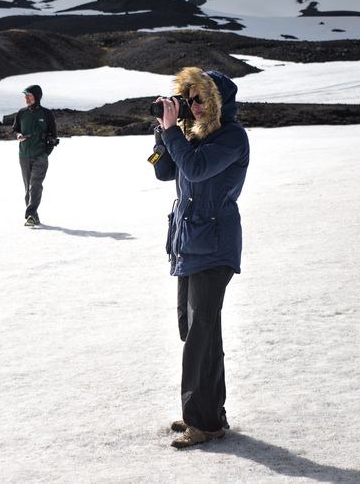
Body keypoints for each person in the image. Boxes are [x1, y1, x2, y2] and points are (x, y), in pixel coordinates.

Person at [150, 67, 250, 449]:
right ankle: (210, 413)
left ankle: (201, 422)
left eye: (199, 99)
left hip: (215, 245)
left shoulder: (232, 137)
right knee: (193, 329)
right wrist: (163, 131)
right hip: (189, 243)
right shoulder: (191, 135)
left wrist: (174, 134)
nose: (192, 105)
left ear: (217, 101)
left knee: (200, 335)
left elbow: (194, 168)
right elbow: (164, 171)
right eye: (187, 99)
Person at [12, 84, 57, 227]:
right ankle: (34, 217)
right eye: (25, 96)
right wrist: (18, 135)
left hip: (40, 156)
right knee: (28, 188)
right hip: (24, 155)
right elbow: (15, 130)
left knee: (35, 185)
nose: (26, 99)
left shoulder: (47, 114)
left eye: (29, 96)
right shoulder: (21, 113)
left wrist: (45, 153)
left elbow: (53, 136)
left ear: (37, 97)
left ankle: (30, 214)